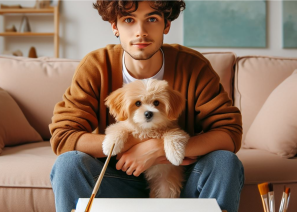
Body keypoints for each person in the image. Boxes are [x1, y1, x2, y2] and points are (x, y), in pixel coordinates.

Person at [49, 1, 245, 212]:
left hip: (177, 178)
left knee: (225, 162)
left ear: (166, 25)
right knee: (68, 165)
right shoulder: (96, 66)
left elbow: (229, 134)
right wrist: (133, 143)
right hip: (115, 179)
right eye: (128, 20)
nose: (140, 32)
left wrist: (158, 148)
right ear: (115, 26)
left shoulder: (193, 66)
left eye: (151, 19)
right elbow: (63, 136)